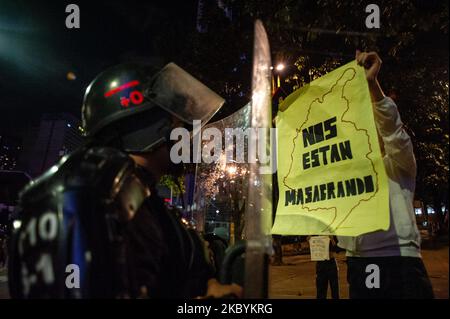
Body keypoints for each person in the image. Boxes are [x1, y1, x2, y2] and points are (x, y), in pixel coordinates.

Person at [8, 62, 242, 299]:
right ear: (149, 125)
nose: (186, 133)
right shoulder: (84, 193)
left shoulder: (143, 198)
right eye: (176, 122)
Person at [337, 50, 434, 299]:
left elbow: (392, 129)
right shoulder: (348, 169)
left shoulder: (400, 163)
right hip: (359, 262)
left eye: (374, 121)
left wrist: (371, 85)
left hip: (400, 260)